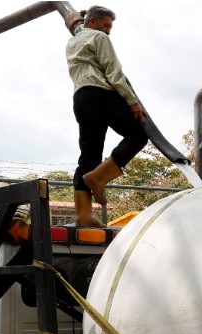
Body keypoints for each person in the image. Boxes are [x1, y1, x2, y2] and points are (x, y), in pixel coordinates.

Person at [63, 6, 148, 227]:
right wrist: (133, 101)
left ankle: (82, 215)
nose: (108, 31)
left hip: (81, 98)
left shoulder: (72, 42)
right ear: (92, 22)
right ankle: (98, 178)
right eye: (106, 25)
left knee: (89, 156)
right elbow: (113, 71)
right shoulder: (99, 37)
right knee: (138, 134)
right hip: (101, 93)